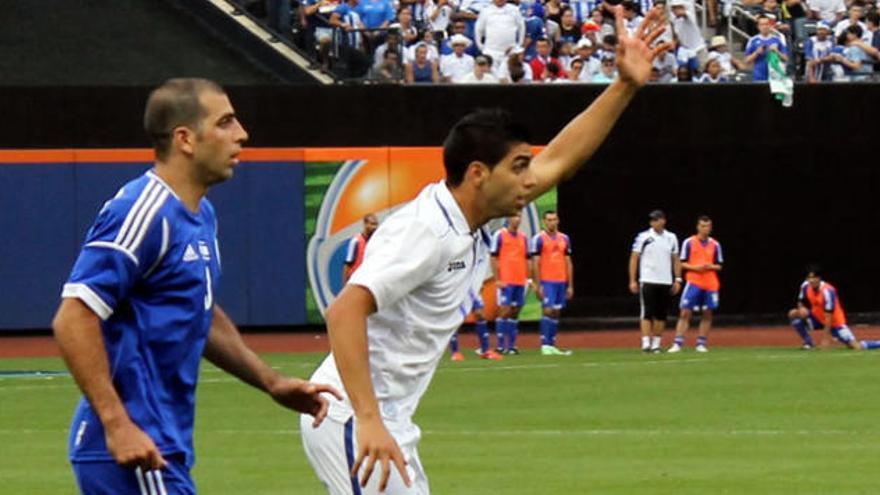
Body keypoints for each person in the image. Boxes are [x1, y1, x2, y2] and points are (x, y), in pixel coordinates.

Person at [300, 8, 671, 494]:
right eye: (518, 167)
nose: (529, 179)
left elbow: (558, 160)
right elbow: (346, 308)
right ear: (478, 173)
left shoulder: (466, 217)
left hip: (381, 416)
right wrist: (369, 421)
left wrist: (625, 85)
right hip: (353, 417)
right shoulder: (426, 231)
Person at [52, 78, 341, 494]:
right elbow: (73, 316)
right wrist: (118, 425)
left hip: (160, 446)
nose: (242, 134)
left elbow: (198, 310)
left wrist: (271, 382)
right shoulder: (143, 211)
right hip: (135, 448)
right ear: (185, 139)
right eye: (225, 122)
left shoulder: (200, 214)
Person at [787, 266, 880, 350]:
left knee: (855, 346)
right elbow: (801, 300)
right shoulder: (805, 286)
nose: (811, 280)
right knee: (793, 314)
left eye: (814, 278)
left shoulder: (828, 291)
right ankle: (808, 343)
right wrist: (801, 308)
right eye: (809, 278)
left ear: (819, 278)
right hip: (817, 319)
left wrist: (826, 339)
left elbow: (829, 316)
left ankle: (877, 343)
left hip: (835, 323)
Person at [629, 210, 682, 353]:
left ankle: (656, 343)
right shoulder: (644, 237)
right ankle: (646, 342)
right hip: (648, 279)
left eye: (657, 219)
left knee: (661, 313)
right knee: (647, 312)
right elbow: (634, 257)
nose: (654, 222)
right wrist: (632, 280)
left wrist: (677, 279)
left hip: (665, 280)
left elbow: (675, 258)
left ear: (663, 220)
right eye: (652, 220)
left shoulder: (671, 237)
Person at [668, 216, 723, 353]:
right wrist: (695, 268)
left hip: (710, 283)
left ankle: (701, 343)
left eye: (708, 226)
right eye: (703, 226)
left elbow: (719, 265)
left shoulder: (715, 244)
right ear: (698, 227)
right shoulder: (689, 242)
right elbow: (682, 262)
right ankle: (678, 342)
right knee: (685, 312)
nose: (706, 229)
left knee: (707, 313)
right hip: (694, 281)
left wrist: (710, 266)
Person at [530, 211, 574, 355]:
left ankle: (552, 344)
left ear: (558, 221)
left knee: (556, 311)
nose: (551, 222)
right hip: (546, 280)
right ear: (544, 222)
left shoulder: (565, 238)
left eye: (554, 219)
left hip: (560, 280)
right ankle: (545, 344)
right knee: (548, 310)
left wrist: (570, 284)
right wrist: (537, 284)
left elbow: (568, 262)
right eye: (548, 220)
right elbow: (535, 263)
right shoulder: (539, 239)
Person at [491, 213, 530, 354]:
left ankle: (512, 346)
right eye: (515, 217)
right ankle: (501, 346)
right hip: (506, 281)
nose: (517, 220)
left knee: (515, 312)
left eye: (519, 217)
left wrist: (528, 278)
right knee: (504, 311)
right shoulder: (500, 235)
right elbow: (493, 257)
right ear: (508, 219)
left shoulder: (523, 237)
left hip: (520, 280)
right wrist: (497, 279)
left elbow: (527, 258)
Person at [448, 289, 504, 361]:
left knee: (480, 314)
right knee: (455, 317)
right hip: (458, 289)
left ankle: (486, 351)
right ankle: (455, 352)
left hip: (472, 289)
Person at [744, 15, 788, 82]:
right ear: (758, 27)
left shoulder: (777, 40)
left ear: (770, 26)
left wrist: (777, 51)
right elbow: (746, 61)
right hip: (759, 76)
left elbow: (786, 59)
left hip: (775, 76)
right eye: (762, 25)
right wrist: (756, 53)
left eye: (766, 24)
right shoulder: (753, 40)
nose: (764, 27)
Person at [344, 213, 380, 284]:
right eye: (372, 224)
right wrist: (345, 284)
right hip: (356, 281)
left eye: (376, 224)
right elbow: (347, 265)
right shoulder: (355, 241)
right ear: (365, 224)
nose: (374, 227)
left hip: (369, 280)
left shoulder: (376, 241)